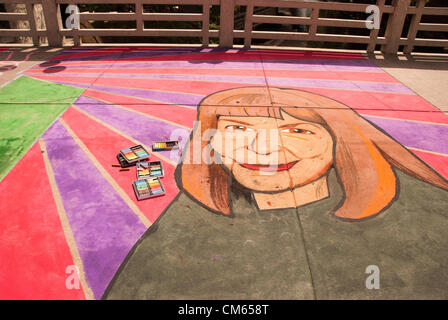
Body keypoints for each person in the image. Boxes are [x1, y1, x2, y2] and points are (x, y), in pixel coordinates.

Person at [103, 87, 448, 299]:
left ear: (342, 141)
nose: (262, 150)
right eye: (237, 128)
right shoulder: (196, 210)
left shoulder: (426, 223)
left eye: (297, 130)